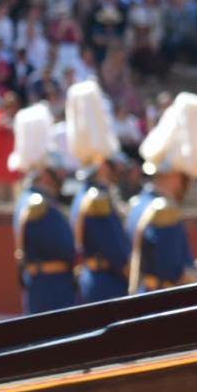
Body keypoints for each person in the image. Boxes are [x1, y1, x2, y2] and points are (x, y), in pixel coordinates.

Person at [126, 93, 197, 295]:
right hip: (160, 307)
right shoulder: (165, 212)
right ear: (177, 176)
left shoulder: (140, 202)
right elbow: (174, 273)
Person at [66, 80, 130, 304]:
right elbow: (119, 256)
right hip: (108, 288)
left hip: (95, 284)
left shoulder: (86, 194)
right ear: (103, 164)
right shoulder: (98, 199)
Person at [9, 104, 77, 315]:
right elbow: (65, 249)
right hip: (52, 291)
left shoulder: (30, 199)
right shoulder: (40, 204)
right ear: (46, 174)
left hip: (45, 287)